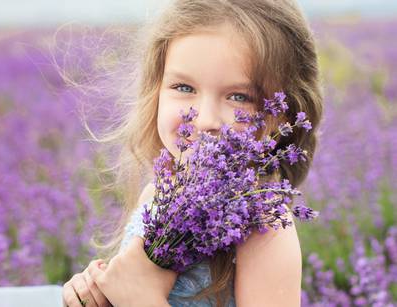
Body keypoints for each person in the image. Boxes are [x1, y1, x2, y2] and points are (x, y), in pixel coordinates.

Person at [62, 0, 323, 306]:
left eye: (239, 97)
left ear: (280, 118)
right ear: (156, 89)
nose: (205, 120)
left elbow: (138, 295)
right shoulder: (156, 195)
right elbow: (127, 286)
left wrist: (141, 299)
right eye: (184, 87)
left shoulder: (263, 225)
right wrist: (95, 294)